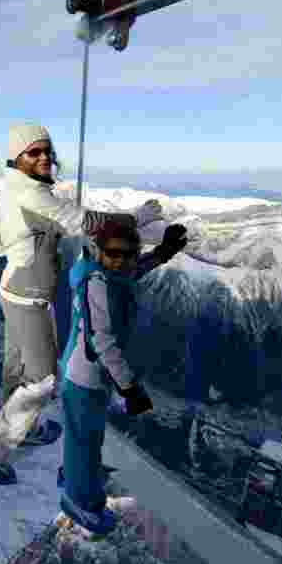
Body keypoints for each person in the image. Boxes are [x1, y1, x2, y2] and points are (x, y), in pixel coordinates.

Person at [0, 122, 166, 485]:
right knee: (42, 380)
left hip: (13, 290)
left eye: (47, 151)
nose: (44, 157)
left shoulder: (8, 192)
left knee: (17, 370)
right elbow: (87, 221)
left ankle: (24, 427)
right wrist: (135, 219)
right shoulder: (32, 196)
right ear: (17, 157)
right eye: (34, 152)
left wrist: (31, 241)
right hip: (29, 299)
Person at [57, 218, 188, 535]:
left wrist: (163, 252)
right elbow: (100, 340)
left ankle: (75, 476)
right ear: (99, 252)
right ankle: (79, 501)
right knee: (85, 442)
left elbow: (133, 270)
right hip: (86, 376)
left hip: (90, 375)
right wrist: (130, 389)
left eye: (129, 253)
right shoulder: (96, 284)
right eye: (114, 253)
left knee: (84, 437)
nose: (122, 260)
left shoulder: (106, 273)